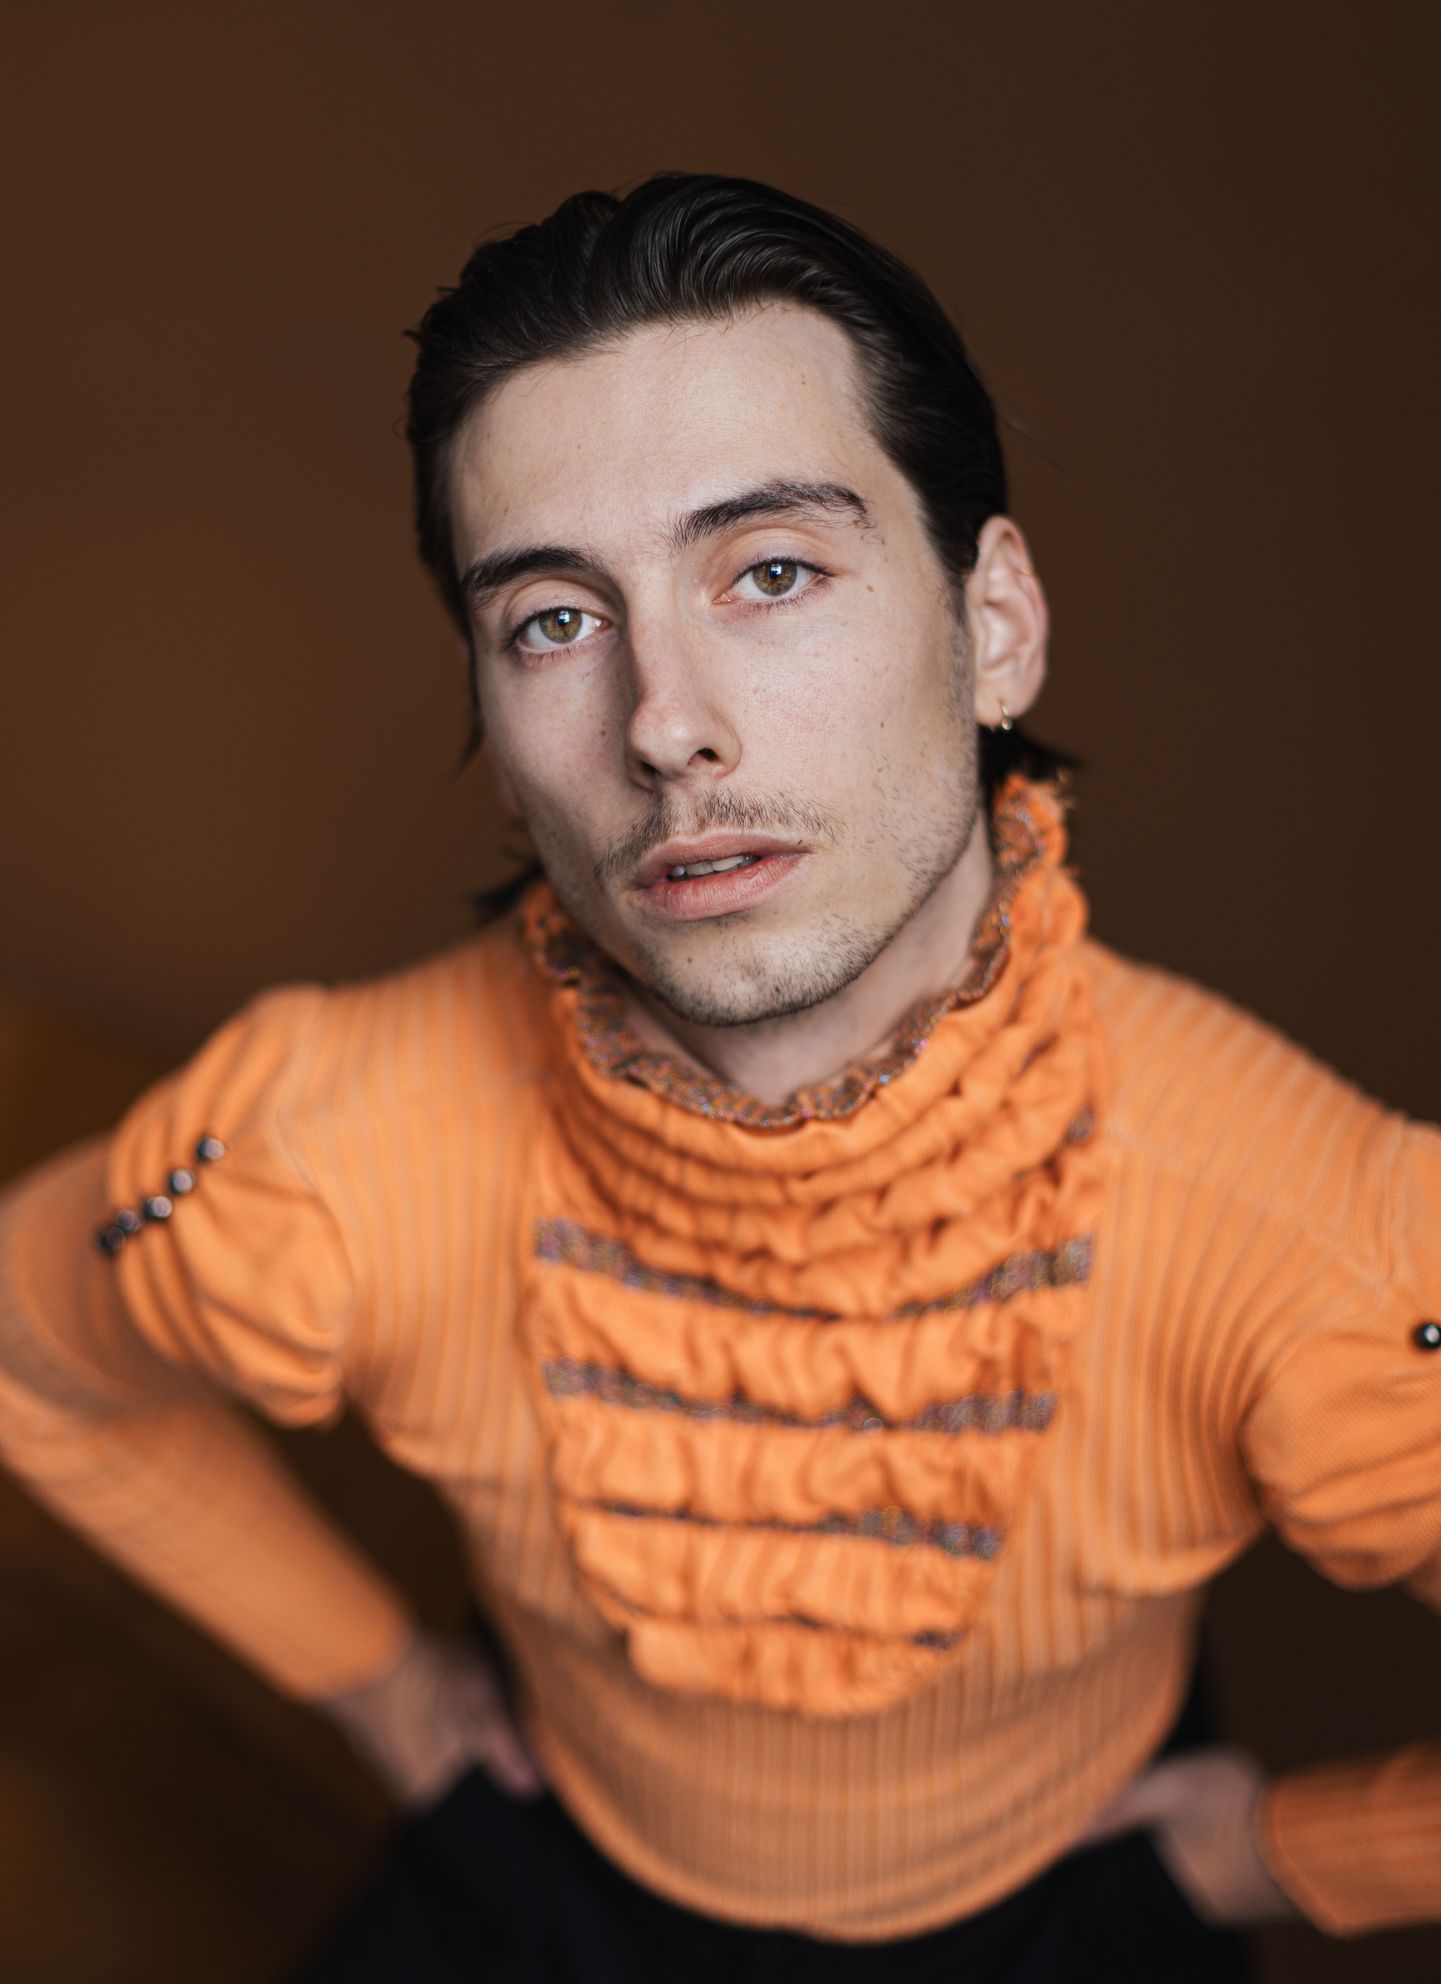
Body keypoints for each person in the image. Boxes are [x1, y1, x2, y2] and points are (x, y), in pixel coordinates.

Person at [1, 174, 1436, 1982]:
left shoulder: (1313, 1237)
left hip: (1068, 1900)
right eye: (552, 620)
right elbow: (34, 1355)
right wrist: (375, 1687)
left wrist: (1287, 1854)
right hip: (543, 1869)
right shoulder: (326, 1146)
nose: (664, 722)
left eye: (769, 572)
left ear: (993, 622)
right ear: (493, 724)